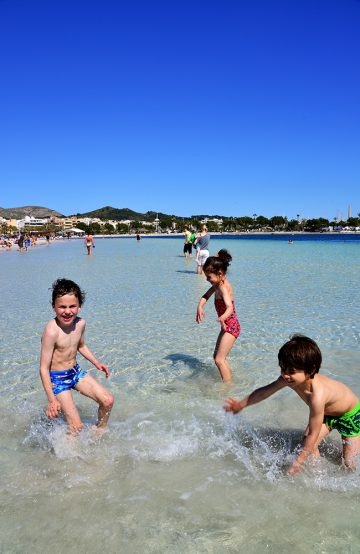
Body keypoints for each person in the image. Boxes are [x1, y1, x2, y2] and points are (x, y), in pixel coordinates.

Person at [224, 335, 360, 474]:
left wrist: (297, 462)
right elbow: (264, 392)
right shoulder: (287, 379)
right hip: (326, 413)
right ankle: (318, 474)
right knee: (308, 443)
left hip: (351, 415)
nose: (285, 375)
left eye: (291, 372)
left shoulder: (317, 396)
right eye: (283, 369)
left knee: (348, 464)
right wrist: (241, 404)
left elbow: (314, 432)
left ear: (310, 371)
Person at [40, 278, 114, 434]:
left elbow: (80, 345)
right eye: (62, 307)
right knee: (76, 427)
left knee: (107, 401)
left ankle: (98, 433)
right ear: (53, 307)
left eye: (72, 306)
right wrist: (51, 400)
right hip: (57, 380)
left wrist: (97, 363)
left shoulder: (80, 323)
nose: (68, 311)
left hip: (75, 372)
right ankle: (67, 456)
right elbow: (43, 368)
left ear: (79, 306)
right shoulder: (51, 331)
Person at [196, 250, 240, 382]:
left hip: (231, 326)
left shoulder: (223, 287)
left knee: (219, 359)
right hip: (226, 326)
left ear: (220, 274)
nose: (207, 279)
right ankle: (229, 380)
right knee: (218, 357)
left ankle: (227, 388)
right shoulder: (217, 284)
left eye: (209, 277)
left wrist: (222, 317)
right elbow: (206, 296)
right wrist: (200, 306)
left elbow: (229, 307)